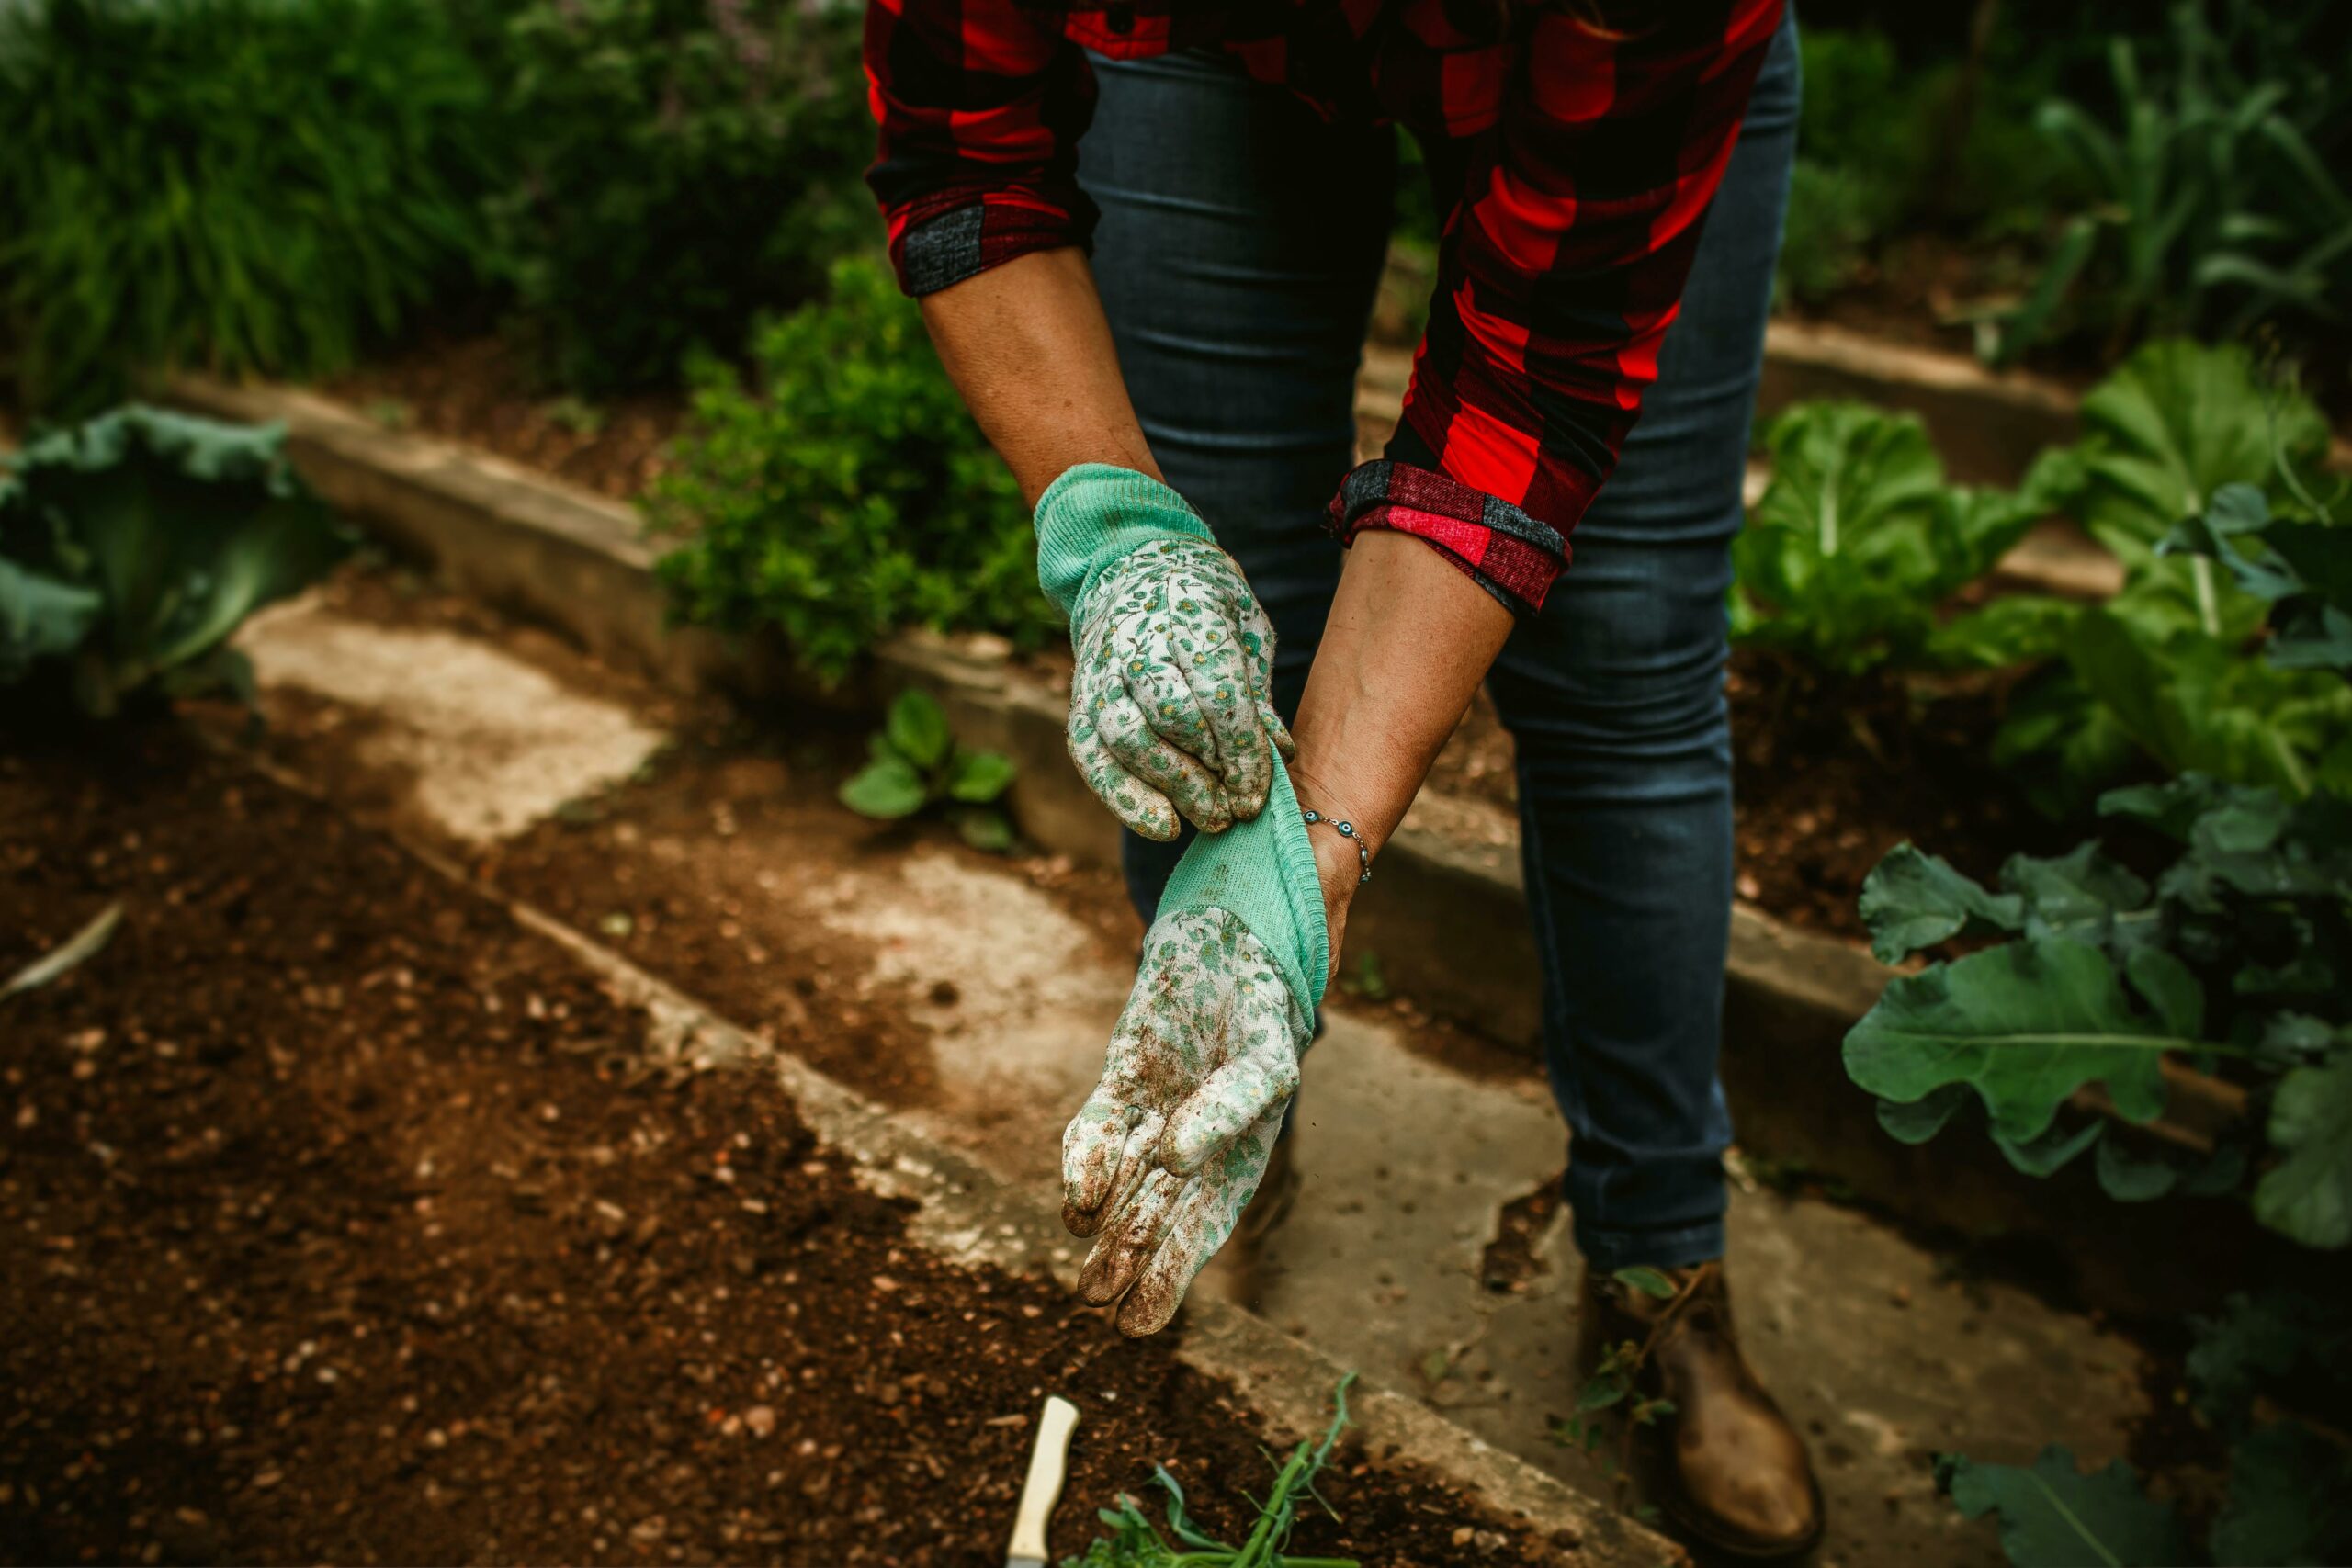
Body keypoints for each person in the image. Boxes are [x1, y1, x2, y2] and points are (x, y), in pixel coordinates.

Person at [862, 0, 1818, 1553]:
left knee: (1628, 657)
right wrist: (1121, 542)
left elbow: (1524, 394)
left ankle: (1660, 1258)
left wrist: (1318, 854)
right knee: (1210, 605)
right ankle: (1227, 1120)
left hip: (1591, 77)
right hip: (1196, 60)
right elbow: (964, 151)